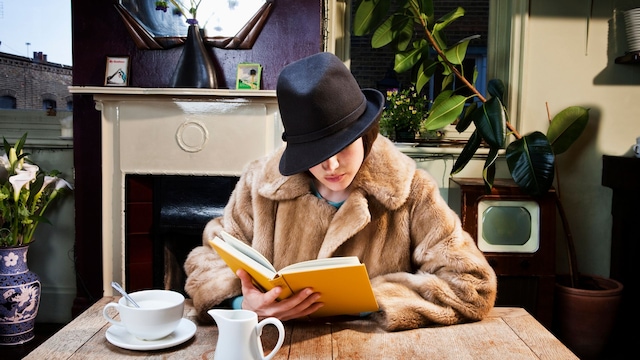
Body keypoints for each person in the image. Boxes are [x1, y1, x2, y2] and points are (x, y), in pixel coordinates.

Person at [184, 52, 497, 331]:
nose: (331, 165)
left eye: (342, 146)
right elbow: (207, 261)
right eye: (316, 152)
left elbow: (473, 285)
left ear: (366, 134)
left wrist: (370, 299)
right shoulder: (260, 185)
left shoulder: (412, 192)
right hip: (274, 346)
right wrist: (245, 307)